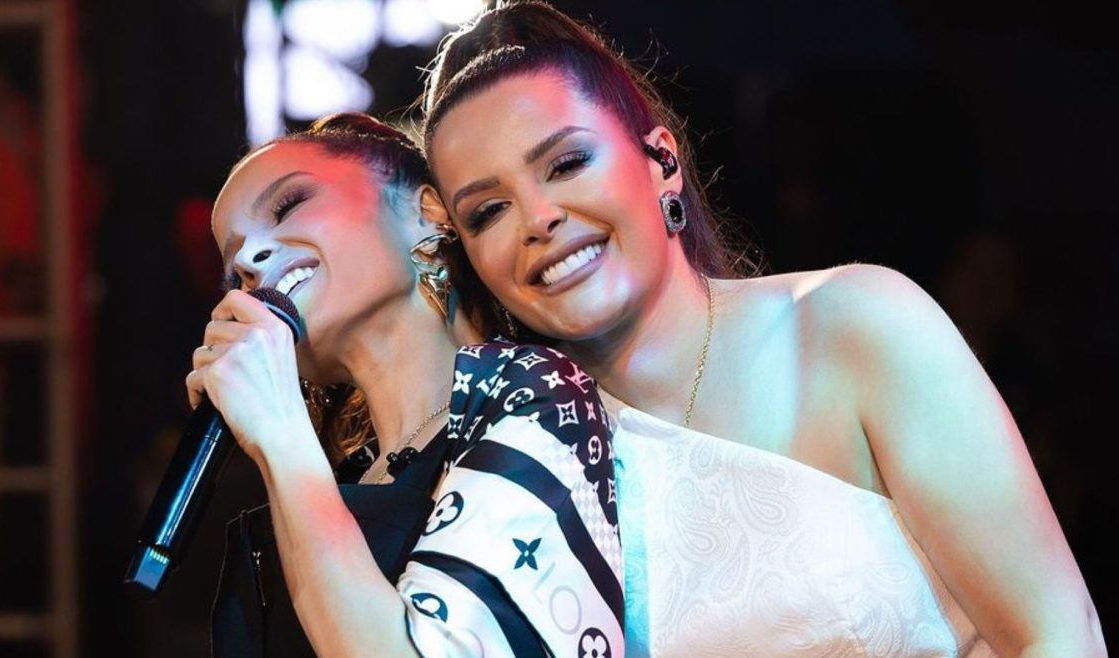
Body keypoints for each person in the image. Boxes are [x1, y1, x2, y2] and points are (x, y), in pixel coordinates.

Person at [418, 2, 1106, 656]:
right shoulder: (519, 465)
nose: (538, 218)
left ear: (662, 163)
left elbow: (1056, 634)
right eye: (488, 211)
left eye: (567, 164)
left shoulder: (854, 326)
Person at [187, 112, 624, 657]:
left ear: (426, 212)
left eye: (288, 205)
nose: (250, 262)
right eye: (234, 274)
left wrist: (280, 436)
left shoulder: (536, 394)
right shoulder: (326, 483)